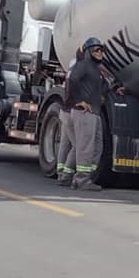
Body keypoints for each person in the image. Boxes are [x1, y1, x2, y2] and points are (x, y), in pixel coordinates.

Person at [63, 38, 124, 191]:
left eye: (101, 50)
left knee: (97, 146)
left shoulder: (96, 70)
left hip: (95, 113)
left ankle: (84, 177)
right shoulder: (83, 65)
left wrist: (112, 90)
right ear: (88, 51)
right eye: (96, 50)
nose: (100, 53)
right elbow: (72, 81)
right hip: (84, 113)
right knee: (85, 147)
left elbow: (99, 88)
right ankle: (81, 179)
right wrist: (79, 100)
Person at [55, 47, 83, 188]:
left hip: (64, 111)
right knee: (77, 146)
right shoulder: (80, 72)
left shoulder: (72, 70)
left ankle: (60, 171)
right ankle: (66, 175)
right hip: (70, 112)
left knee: (65, 144)